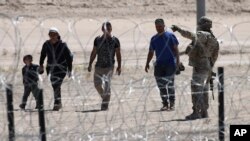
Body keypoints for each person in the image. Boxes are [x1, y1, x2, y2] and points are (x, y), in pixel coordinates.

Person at [172, 16, 219, 119]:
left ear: (202, 25)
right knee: (204, 89)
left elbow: (192, 35)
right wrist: (210, 66)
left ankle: (196, 112)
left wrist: (179, 30)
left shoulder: (203, 35)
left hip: (200, 65)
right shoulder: (213, 38)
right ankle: (204, 112)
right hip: (207, 66)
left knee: (196, 87)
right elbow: (215, 55)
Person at [145, 18, 180, 111]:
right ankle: (165, 103)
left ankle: (172, 103)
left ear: (164, 26)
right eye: (157, 26)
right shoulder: (154, 38)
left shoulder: (170, 36)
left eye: (160, 26)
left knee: (170, 84)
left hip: (170, 64)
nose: (158, 28)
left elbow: (176, 50)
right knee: (161, 85)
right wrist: (147, 63)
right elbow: (151, 52)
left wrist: (178, 62)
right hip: (159, 65)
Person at [88, 22, 121, 111]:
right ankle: (105, 98)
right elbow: (94, 52)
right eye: (106, 29)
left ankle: (105, 104)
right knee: (97, 85)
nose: (107, 31)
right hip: (99, 66)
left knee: (107, 86)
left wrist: (119, 66)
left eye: (109, 29)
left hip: (109, 67)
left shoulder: (115, 40)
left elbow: (118, 53)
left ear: (111, 29)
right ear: (102, 30)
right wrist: (90, 63)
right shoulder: (97, 40)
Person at [39, 27, 73, 111]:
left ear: (58, 35)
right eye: (51, 34)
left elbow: (69, 58)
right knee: (54, 85)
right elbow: (43, 55)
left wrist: (70, 69)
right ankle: (58, 102)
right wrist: (41, 64)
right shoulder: (46, 44)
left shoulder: (63, 45)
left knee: (57, 84)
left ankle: (57, 103)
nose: (52, 36)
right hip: (50, 68)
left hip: (62, 68)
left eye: (54, 34)